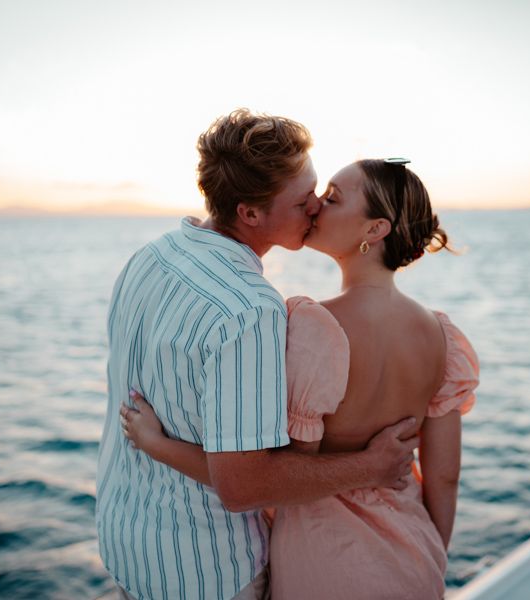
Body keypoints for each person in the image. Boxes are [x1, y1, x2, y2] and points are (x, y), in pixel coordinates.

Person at [97, 109, 421, 600]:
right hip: (206, 571)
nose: (316, 207)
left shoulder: (152, 255)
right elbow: (244, 486)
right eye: (301, 200)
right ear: (249, 213)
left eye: (316, 190)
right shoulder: (249, 309)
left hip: (128, 540)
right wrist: (372, 467)